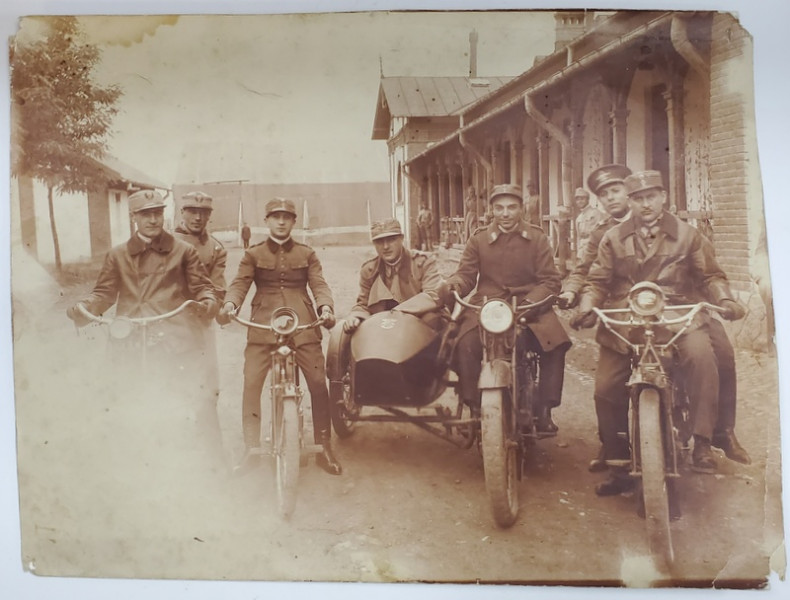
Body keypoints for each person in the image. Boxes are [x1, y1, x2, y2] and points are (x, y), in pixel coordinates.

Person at [562, 165, 750, 473]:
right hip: (626, 316)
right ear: (631, 202)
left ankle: (704, 441)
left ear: (663, 196)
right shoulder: (612, 237)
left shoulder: (688, 235)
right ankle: (614, 450)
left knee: (704, 358)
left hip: (677, 313)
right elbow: (596, 281)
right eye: (638, 198)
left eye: (651, 197)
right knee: (606, 385)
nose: (645, 204)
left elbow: (711, 275)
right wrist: (585, 306)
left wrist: (726, 299)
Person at [218, 198, 341, 476]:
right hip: (264, 324)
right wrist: (230, 305)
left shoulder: (307, 254)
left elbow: (319, 284)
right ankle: (250, 449)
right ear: (267, 220)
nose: (282, 221)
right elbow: (240, 283)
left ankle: (324, 447)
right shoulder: (253, 253)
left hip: (303, 322)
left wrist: (325, 307)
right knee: (251, 382)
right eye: (276, 217)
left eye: (287, 217)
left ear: (294, 221)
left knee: (318, 382)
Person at [444, 183, 572, 431]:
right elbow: (467, 275)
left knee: (554, 344)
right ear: (491, 209)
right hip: (487, 306)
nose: (505, 213)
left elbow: (550, 280)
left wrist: (529, 304)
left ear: (521, 209)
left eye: (512, 207)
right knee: (463, 342)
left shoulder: (537, 238)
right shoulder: (479, 239)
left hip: (529, 305)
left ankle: (544, 409)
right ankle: (474, 407)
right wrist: (454, 286)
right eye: (500, 208)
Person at [67, 189, 218, 368]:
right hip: (131, 337)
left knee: (178, 392)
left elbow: (201, 286)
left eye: (157, 213)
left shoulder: (184, 251)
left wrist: (208, 300)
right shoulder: (117, 255)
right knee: (131, 390)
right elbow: (104, 294)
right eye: (146, 215)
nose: (153, 220)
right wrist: (84, 308)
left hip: (174, 340)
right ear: (133, 217)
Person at [172, 190, 227, 455]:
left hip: (201, 324)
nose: (197, 217)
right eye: (192, 211)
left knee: (207, 388)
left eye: (203, 212)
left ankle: (212, 454)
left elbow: (217, 287)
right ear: (181, 212)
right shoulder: (165, 242)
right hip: (168, 323)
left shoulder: (215, 247)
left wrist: (216, 306)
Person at [343, 218, 442, 333]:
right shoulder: (369, 270)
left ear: (401, 239)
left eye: (391, 240)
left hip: (417, 324)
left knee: (433, 320)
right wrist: (356, 316)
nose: (385, 247)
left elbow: (432, 295)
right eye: (379, 242)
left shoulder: (423, 262)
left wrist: (396, 312)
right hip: (383, 328)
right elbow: (363, 303)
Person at [572, 187, 603, 261]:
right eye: (578, 199)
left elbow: (600, 232)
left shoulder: (595, 213)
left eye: (582, 199)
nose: (580, 201)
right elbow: (579, 237)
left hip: (594, 249)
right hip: (582, 250)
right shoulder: (579, 218)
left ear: (587, 200)